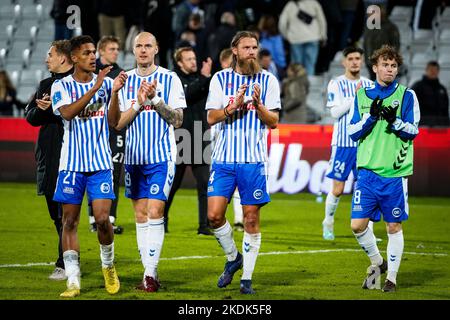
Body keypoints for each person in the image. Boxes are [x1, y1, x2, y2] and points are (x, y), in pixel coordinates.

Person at [50, 35, 127, 297]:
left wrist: (114, 92)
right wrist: (94, 88)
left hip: (100, 164)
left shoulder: (106, 85)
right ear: (73, 58)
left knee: (103, 219)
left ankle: (108, 267)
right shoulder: (60, 86)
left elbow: (115, 122)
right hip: (71, 165)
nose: (93, 56)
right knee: (68, 222)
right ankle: (73, 280)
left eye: (94, 52)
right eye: (86, 53)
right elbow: (68, 113)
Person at [206, 31, 281, 294]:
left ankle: (246, 279)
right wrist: (232, 107)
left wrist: (259, 106)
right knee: (214, 216)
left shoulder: (268, 80)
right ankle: (233, 257)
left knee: (250, 220)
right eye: (246, 47)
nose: (252, 51)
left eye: (255, 47)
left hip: (253, 161)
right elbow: (211, 118)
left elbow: (273, 122)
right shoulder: (220, 79)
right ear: (234, 50)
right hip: (223, 159)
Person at [114, 32, 186, 292]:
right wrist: (137, 103)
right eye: (138, 46)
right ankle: (149, 271)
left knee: (155, 212)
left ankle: (150, 274)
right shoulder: (125, 81)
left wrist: (155, 100)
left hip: (161, 159)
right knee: (140, 215)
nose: (143, 50)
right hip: (133, 159)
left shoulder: (170, 79)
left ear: (156, 49)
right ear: (133, 51)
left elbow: (178, 120)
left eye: (148, 46)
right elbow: (118, 124)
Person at [348, 45, 420, 292]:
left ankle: (392, 278)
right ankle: (378, 262)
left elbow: (413, 131)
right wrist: (371, 118)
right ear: (375, 67)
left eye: (393, 65)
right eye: (385, 65)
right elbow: (352, 131)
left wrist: (394, 120)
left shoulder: (407, 95)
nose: (390, 69)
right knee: (357, 225)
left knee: (393, 226)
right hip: (367, 172)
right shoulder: (361, 96)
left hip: (394, 174)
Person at [25, 40, 74, 281]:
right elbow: (30, 117)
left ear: (63, 58)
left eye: (50, 54)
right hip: (48, 155)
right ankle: (67, 256)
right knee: (56, 214)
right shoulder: (46, 84)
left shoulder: (77, 83)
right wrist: (43, 109)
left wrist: (54, 108)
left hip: (70, 155)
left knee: (66, 213)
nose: (47, 59)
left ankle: (64, 262)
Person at [322, 46, 373, 240]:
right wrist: (355, 97)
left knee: (365, 188)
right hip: (343, 144)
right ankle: (328, 222)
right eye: (350, 58)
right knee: (338, 189)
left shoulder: (369, 84)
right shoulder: (336, 84)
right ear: (344, 62)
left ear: (362, 61)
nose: (354, 62)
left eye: (357, 58)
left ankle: (367, 229)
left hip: (363, 145)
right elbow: (335, 113)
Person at [163, 47, 212, 235]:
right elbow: (188, 95)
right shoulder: (175, 80)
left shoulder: (201, 80)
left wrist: (204, 79)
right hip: (181, 137)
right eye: (189, 59)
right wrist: (204, 78)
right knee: (173, 184)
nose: (194, 62)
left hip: (200, 135)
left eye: (194, 58)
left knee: (204, 184)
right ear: (179, 63)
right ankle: (162, 219)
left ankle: (204, 225)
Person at [88, 36, 125, 234]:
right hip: (93, 130)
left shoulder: (121, 74)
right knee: (91, 171)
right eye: (111, 49)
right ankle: (93, 217)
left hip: (115, 130)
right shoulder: (90, 74)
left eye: (117, 48)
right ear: (100, 51)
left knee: (114, 172)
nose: (115, 52)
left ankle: (110, 218)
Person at [216, 48, 244, 231]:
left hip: (241, 143)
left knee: (239, 186)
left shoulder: (245, 84)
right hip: (219, 142)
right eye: (227, 65)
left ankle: (239, 219)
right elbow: (212, 114)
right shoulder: (218, 84)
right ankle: (219, 219)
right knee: (222, 187)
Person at [278, 0, 327, 75]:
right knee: (310, 65)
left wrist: (286, 36)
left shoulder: (290, 5)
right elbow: (322, 21)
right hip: (313, 37)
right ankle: (309, 85)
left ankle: (297, 85)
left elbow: (282, 22)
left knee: (297, 67)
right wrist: (323, 36)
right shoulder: (314, 3)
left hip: (295, 39)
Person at [363, 6, 400, 80]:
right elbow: (366, 43)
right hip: (370, 62)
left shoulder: (390, 27)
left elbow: (395, 45)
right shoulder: (369, 26)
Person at [411, 61, 449, 126]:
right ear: (426, 70)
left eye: (435, 70)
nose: (433, 72)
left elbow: (445, 109)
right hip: (423, 125)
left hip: (440, 126)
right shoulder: (417, 86)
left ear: (438, 71)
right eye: (431, 69)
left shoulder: (442, 89)